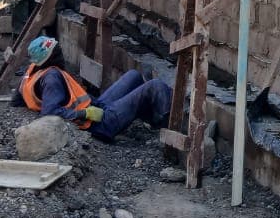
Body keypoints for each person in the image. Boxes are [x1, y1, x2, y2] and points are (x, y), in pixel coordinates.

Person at [15, 36, 173, 142]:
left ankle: (151, 120)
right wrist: (83, 113)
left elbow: (19, 97)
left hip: (96, 107)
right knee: (155, 85)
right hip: (100, 123)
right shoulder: (51, 78)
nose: (61, 54)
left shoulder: (33, 70)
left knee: (133, 76)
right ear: (49, 58)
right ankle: (169, 134)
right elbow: (49, 112)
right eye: (58, 52)